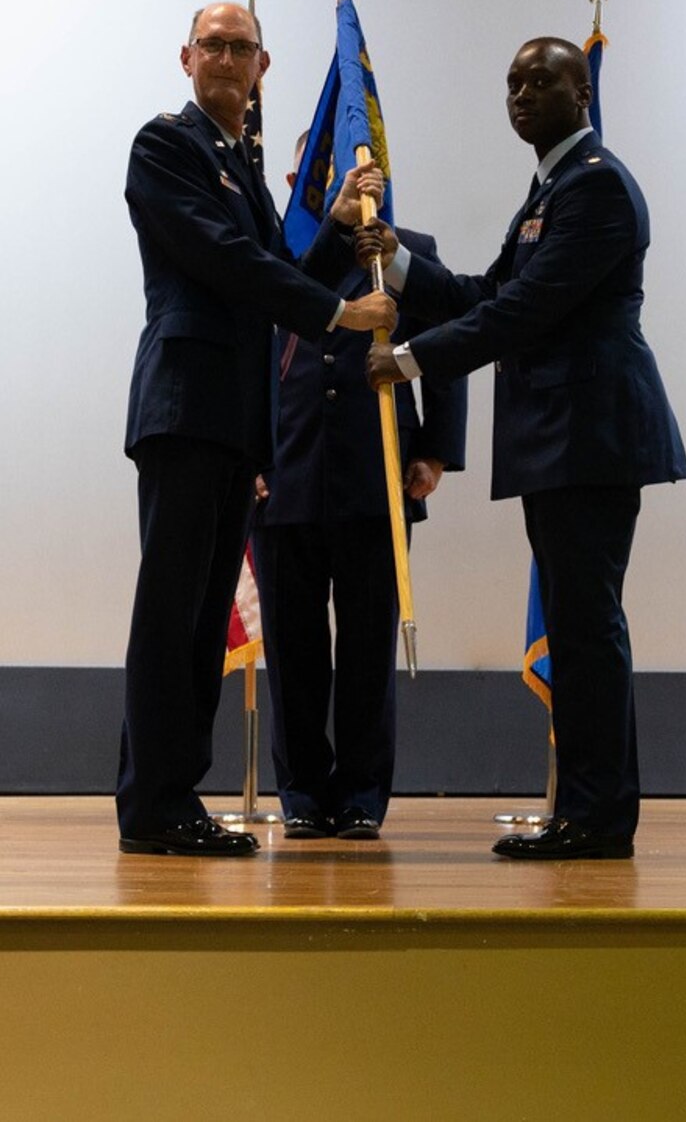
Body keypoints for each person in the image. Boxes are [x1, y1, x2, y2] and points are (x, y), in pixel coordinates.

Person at [362, 37, 686, 861]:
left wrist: (407, 360)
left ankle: (598, 816)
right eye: (511, 82)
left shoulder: (599, 187)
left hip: (594, 435)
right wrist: (395, 259)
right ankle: (589, 810)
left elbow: (527, 311)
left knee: (586, 627)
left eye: (540, 81)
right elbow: (485, 294)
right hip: (558, 438)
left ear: (583, 93)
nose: (520, 94)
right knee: (580, 627)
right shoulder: (547, 191)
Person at [117, 1, 395, 857]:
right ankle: (152, 803)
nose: (227, 60)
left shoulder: (239, 161)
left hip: (237, 420)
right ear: (186, 57)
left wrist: (340, 226)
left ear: (263, 67)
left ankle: (175, 801)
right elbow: (225, 264)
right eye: (214, 46)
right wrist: (341, 317)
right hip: (185, 407)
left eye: (242, 49)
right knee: (172, 615)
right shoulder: (166, 147)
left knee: (203, 621)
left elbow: (273, 272)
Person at [252, 134, 468, 841]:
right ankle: (304, 793)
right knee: (294, 646)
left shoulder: (410, 250)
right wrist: (246, 453)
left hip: (376, 471)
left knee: (369, 645)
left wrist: (436, 452)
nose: (338, 182)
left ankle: (362, 795)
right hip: (283, 471)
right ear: (296, 177)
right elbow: (252, 355)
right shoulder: (271, 251)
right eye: (319, 171)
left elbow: (450, 351)